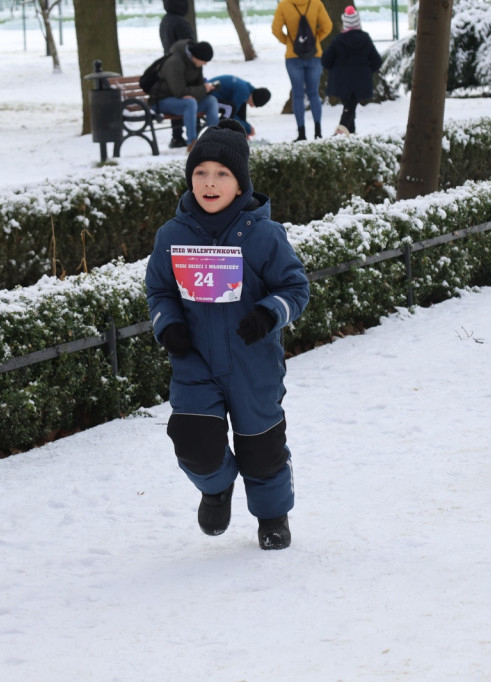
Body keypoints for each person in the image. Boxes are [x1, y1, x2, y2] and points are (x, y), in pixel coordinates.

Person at [144, 119, 310, 550]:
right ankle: (216, 487)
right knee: (193, 441)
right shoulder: (172, 236)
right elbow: (160, 290)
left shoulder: (264, 235)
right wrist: (170, 325)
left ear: (240, 184)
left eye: (222, 174)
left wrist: (267, 314)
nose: (209, 183)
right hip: (194, 360)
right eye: (200, 173)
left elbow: (295, 288)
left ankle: (273, 516)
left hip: (252, 361)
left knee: (261, 445)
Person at [272, 0, 332, 141]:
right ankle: (318, 132)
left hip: (293, 57)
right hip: (314, 55)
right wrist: (315, 39)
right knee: (313, 94)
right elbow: (327, 26)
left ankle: (301, 133)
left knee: (298, 95)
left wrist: (288, 41)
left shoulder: (284, 5)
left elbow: (276, 29)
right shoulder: (316, 3)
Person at [147, 39, 219, 153]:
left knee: (211, 100)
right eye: (204, 61)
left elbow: (197, 86)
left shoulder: (196, 64)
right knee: (190, 103)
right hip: (161, 101)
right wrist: (202, 89)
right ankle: (192, 144)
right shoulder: (175, 62)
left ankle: (214, 140)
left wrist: (206, 88)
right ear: (196, 56)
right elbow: (179, 92)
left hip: (183, 101)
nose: (205, 64)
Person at [321, 6, 382, 136]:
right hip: (360, 81)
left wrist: (335, 70)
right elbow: (376, 61)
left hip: (340, 81)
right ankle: (340, 133)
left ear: (345, 24)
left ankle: (350, 133)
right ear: (358, 23)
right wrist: (366, 71)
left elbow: (325, 60)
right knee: (350, 107)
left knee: (349, 106)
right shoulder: (365, 39)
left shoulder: (337, 41)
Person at [159, 0, 195, 149]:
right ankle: (193, 134)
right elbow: (190, 47)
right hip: (183, 68)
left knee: (176, 96)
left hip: (168, 66)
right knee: (189, 97)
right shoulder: (182, 23)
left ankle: (177, 136)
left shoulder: (165, 21)